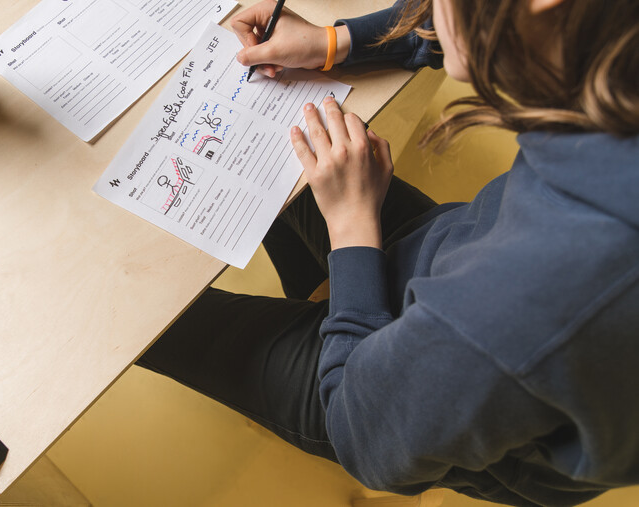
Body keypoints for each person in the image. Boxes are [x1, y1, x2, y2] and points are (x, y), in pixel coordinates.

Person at [136, 0, 639, 505]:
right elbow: (485, 23)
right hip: (458, 269)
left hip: (379, 396)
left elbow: (367, 437)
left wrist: (352, 224)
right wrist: (335, 42)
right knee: (268, 159)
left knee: (139, 322)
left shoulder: (528, 304)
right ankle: (331, 305)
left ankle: (333, 316)